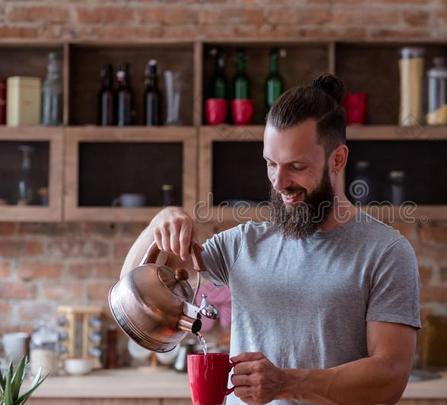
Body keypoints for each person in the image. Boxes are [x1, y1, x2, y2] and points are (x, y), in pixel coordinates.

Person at [120, 74, 420, 405]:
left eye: (296, 166)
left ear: (338, 159)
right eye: (270, 164)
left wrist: (286, 382)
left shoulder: (386, 252)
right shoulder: (242, 245)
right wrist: (159, 222)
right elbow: (131, 295)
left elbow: (389, 377)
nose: (279, 182)